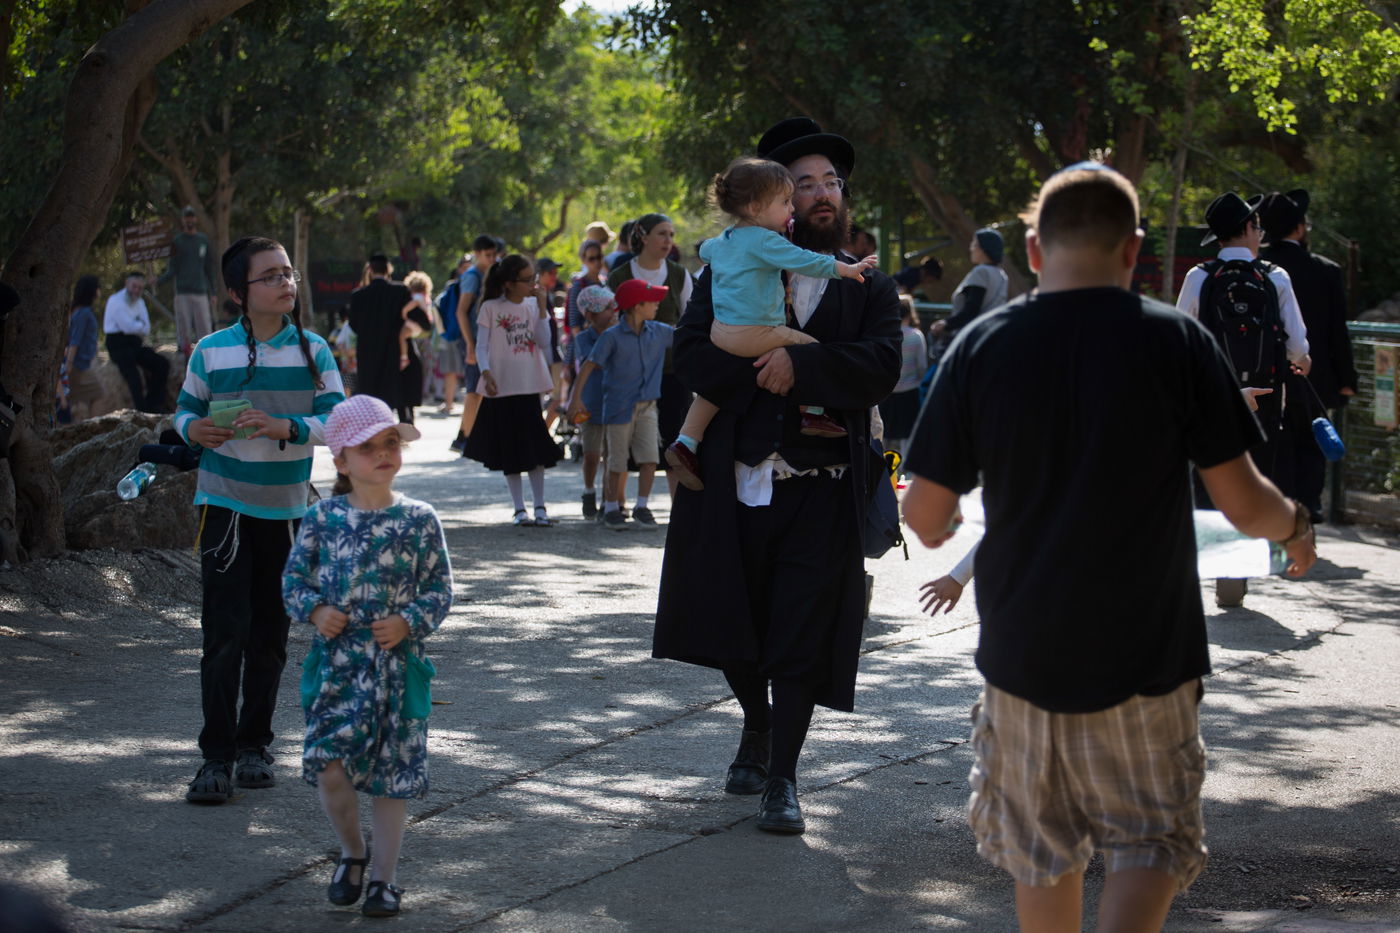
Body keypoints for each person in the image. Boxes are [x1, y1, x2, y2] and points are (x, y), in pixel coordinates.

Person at [901, 162, 1317, 933]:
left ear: (1033, 249)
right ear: (1132, 250)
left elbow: (925, 513)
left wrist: (947, 529)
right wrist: (1296, 527)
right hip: (1149, 652)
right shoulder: (1177, 340)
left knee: (1040, 847)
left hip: (1024, 653)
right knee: (1150, 838)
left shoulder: (981, 347)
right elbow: (1243, 501)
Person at [654, 117, 903, 834]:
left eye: (833, 182)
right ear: (772, 200)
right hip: (734, 482)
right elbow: (693, 356)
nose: (823, 194)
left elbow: (882, 363)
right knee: (735, 626)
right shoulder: (726, 268)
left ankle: (784, 776)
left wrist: (804, 363)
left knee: (801, 632)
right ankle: (754, 725)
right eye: (806, 183)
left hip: (823, 490)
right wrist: (755, 364)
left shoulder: (867, 285)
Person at [175, 235, 345, 804]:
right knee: (224, 634)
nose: (285, 283)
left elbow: (339, 421)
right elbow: (185, 411)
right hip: (223, 507)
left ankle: (255, 746)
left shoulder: (314, 350)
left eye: (288, 273)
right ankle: (215, 758)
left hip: (287, 512)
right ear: (236, 293)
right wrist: (192, 430)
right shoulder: (211, 351)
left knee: (270, 636)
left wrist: (287, 427)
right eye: (270, 276)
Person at [282, 394, 451, 918]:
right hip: (337, 667)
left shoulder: (420, 519)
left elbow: (440, 590)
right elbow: (293, 579)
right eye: (367, 447)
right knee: (330, 767)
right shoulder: (322, 517)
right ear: (340, 461)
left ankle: (384, 878)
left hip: (399, 670)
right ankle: (352, 853)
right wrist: (313, 611)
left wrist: (409, 621)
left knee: (391, 776)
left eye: (390, 444)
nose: (382, 454)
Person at [663, 156, 877, 490]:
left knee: (712, 393)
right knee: (811, 349)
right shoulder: (766, 240)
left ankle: (686, 442)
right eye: (785, 201)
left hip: (722, 333)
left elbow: (705, 252)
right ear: (756, 206)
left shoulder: (723, 241)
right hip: (756, 331)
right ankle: (813, 411)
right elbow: (806, 261)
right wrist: (846, 270)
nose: (790, 208)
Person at [1176, 192, 1311, 606]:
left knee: (1210, 478)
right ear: (1251, 228)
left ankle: (1219, 565)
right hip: (1267, 395)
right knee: (1258, 475)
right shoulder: (1276, 277)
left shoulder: (1200, 276)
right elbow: (1297, 343)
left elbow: (1181, 337)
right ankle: (1240, 567)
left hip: (1214, 397)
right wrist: (1301, 360)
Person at [1257, 189, 1359, 522]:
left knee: (1279, 443)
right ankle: (1309, 507)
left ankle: (1283, 512)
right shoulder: (1325, 270)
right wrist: (1347, 379)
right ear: (1299, 228)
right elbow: (1336, 332)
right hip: (1315, 377)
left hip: (1267, 375)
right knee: (1312, 438)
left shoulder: (1259, 269)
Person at [566, 279, 674, 530]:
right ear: (637, 306)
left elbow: (686, 337)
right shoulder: (611, 337)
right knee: (616, 460)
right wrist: (575, 398)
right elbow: (589, 366)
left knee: (649, 459)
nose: (657, 305)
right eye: (652, 301)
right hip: (617, 405)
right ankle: (612, 506)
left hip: (648, 406)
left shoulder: (659, 331)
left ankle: (642, 506)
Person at [461, 254, 559, 526]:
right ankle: (519, 509)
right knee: (511, 449)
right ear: (509, 283)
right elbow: (482, 346)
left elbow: (543, 340)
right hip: (501, 386)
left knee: (535, 446)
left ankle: (540, 507)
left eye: (533, 278)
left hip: (529, 384)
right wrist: (486, 371)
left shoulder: (533, 305)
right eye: (527, 280)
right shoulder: (491, 307)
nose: (532, 284)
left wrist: (541, 309)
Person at [606, 213, 694, 493]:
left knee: (674, 441)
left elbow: (690, 322)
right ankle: (614, 503)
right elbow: (606, 323)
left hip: (671, 371)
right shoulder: (619, 276)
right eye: (662, 233)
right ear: (643, 237)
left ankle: (678, 508)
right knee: (621, 441)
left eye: (671, 234)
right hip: (627, 374)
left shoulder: (679, 275)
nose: (668, 240)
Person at [570, 284, 619, 520]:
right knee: (591, 454)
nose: (614, 312)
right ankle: (588, 490)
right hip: (591, 403)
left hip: (616, 402)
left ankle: (608, 500)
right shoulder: (583, 338)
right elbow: (596, 362)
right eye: (608, 308)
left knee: (612, 456)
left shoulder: (620, 333)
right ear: (591, 314)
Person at [348, 253, 415, 422]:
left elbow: (353, 324)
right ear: (388, 269)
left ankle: (371, 426)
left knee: (370, 390)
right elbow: (409, 317)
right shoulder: (400, 291)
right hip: (393, 348)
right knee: (392, 389)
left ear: (369, 270)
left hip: (367, 350)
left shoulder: (358, 295)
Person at [450, 235, 499, 452]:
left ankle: (466, 435)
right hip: (474, 340)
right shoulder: (472, 276)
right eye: (487, 255)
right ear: (477, 254)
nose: (491, 258)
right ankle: (464, 438)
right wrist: (470, 344)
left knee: (480, 389)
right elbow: (461, 311)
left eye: (493, 254)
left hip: (483, 341)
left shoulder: (487, 273)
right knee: (474, 390)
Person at [929, 228, 1009, 350]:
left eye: (974, 244)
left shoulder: (981, 272)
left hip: (973, 340)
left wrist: (945, 323)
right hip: (993, 336)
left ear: (983, 248)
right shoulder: (1001, 274)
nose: (971, 248)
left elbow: (971, 310)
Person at [103, 270, 171, 413]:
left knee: (161, 364)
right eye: (134, 286)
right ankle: (142, 411)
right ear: (127, 284)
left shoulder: (139, 302)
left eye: (140, 288)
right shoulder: (115, 300)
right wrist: (138, 325)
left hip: (134, 343)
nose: (137, 291)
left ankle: (154, 404)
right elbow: (127, 327)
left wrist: (136, 326)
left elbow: (146, 328)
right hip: (117, 344)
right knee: (133, 377)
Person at [158, 206, 217, 357]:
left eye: (192, 217)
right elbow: (172, 269)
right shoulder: (177, 241)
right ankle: (183, 352)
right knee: (183, 325)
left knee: (204, 325)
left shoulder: (202, 240)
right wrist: (157, 281)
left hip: (200, 291)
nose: (189, 220)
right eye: (186, 217)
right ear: (183, 219)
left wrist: (213, 292)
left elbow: (208, 268)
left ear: (195, 219)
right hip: (182, 291)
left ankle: (207, 352)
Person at [876, 295, 926, 459]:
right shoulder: (916, 335)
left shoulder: (884, 334)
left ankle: (884, 469)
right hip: (909, 391)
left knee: (885, 433)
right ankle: (905, 469)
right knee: (906, 434)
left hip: (887, 390)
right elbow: (922, 366)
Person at [63, 275, 103, 422]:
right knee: (98, 394)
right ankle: (94, 428)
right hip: (79, 365)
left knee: (78, 401)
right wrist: (69, 364)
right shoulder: (84, 313)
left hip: (80, 363)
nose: (100, 290)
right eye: (98, 287)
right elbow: (75, 340)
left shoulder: (77, 311)